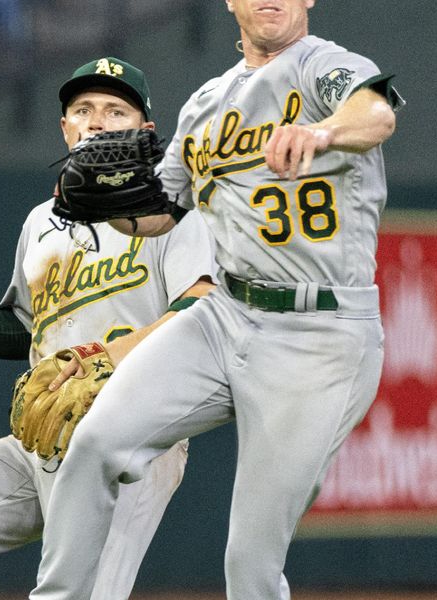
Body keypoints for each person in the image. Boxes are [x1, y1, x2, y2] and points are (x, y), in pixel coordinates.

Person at [30, 1, 404, 598]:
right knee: (95, 441)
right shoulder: (207, 101)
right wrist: (109, 208)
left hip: (320, 332)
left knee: (249, 565)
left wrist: (321, 130)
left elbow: (376, 113)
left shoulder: (321, 67)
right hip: (225, 315)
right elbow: (160, 213)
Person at [0, 56, 217, 599]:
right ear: (64, 128)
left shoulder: (170, 210)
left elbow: (202, 300)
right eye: (83, 109)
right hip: (45, 433)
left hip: (133, 434)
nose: (96, 120)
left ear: (144, 132)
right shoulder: (40, 221)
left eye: (115, 110)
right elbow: (25, 328)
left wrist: (108, 356)